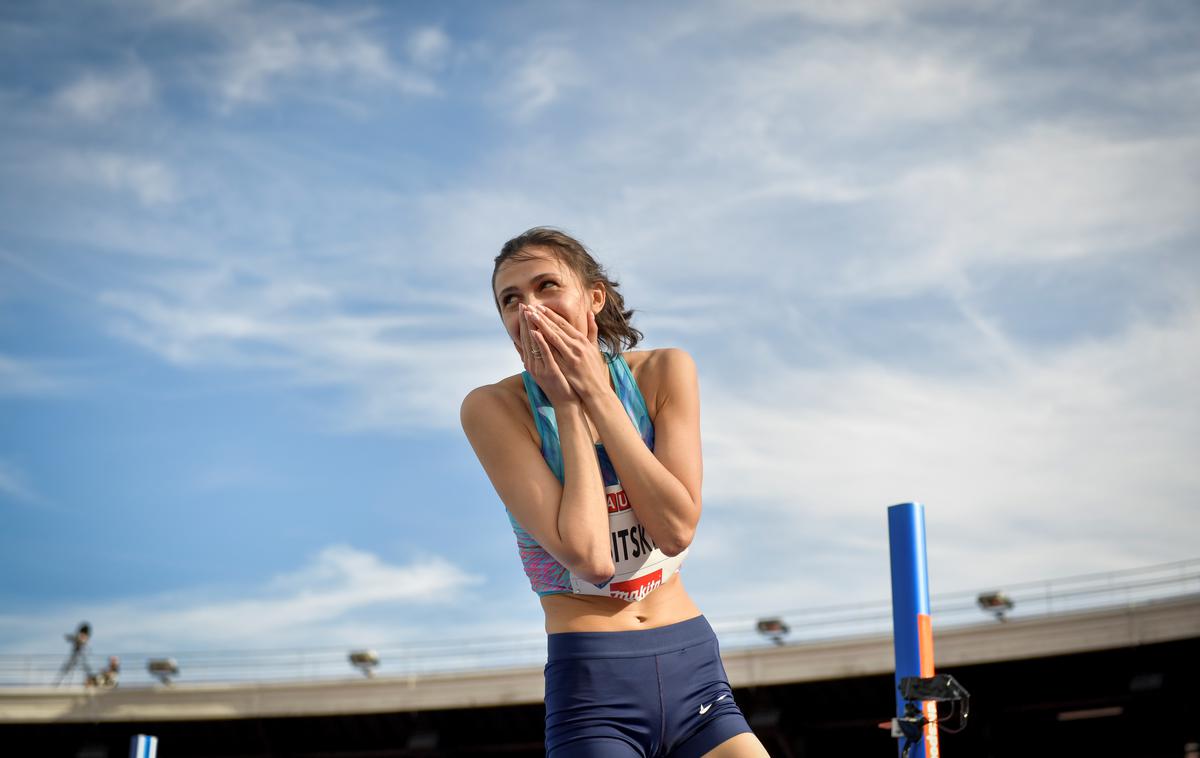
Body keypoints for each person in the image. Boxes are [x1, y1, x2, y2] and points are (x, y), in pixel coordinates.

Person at [461, 228, 768, 757]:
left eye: (546, 286)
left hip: (692, 664)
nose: (529, 309)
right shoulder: (492, 409)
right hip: (595, 687)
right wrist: (567, 405)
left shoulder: (664, 372)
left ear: (594, 298)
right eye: (510, 300)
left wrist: (598, 394)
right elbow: (590, 559)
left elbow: (674, 530)